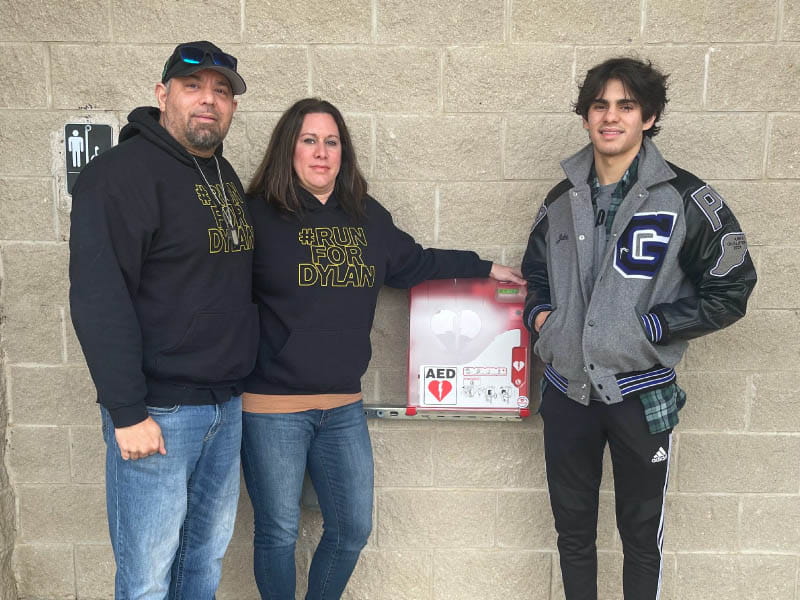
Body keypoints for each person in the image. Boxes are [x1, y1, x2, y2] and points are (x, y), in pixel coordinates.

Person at [242, 97, 524, 599]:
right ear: (288, 149)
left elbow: (414, 263)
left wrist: (484, 268)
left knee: (352, 530)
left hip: (342, 408)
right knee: (278, 533)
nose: (321, 152)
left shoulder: (366, 216)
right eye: (309, 140)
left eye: (332, 142)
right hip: (271, 408)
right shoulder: (257, 217)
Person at [522, 57, 757, 600]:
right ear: (585, 117)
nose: (611, 117)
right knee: (572, 533)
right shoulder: (560, 200)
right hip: (566, 394)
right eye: (600, 105)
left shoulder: (687, 199)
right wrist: (544, 319)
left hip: (639, 395)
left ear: (647, 117)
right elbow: (535, 272)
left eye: (625, 105)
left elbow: (733, 284)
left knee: (640, 539)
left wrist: (654, 325)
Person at [69, 41, 257, 599]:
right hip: (158, 414)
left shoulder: (221, 172)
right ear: (162, 94)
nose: (209, 101)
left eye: (222, 92)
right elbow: (100, 299)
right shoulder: (119, 176)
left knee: (201, 564)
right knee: (148, 577)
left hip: (224, 407)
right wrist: (127, 412)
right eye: (193, 86)